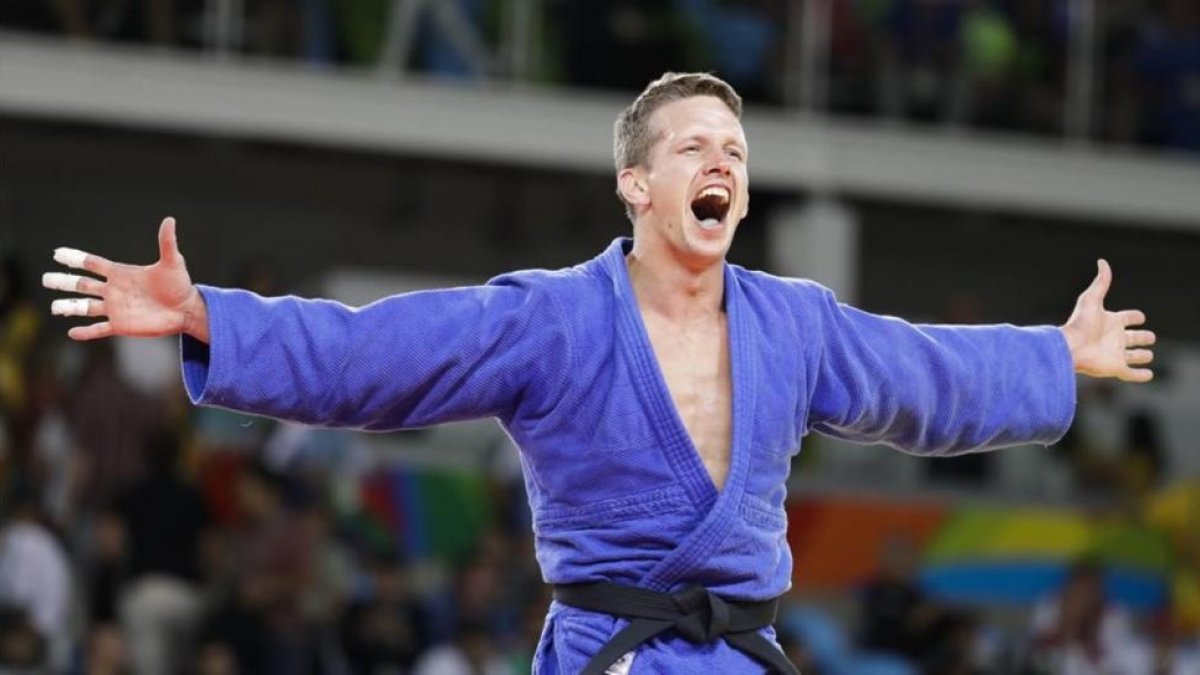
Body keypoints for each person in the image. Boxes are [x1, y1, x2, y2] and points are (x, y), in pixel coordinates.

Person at [42, 72, 1156, 674]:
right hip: (608, 654)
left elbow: (928, 381)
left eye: (737, 153)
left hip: (745, 653)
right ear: (635, 184)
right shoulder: (553, 320)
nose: (722, 162)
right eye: (694, 148)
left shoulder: (794, 324)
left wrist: (1057, 356)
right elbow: (373, 357)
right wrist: (211, 318)